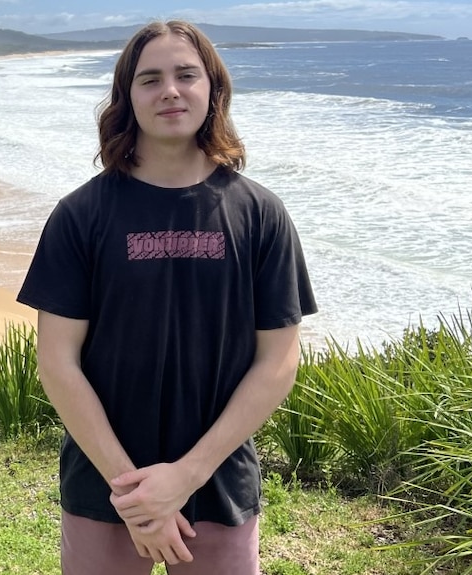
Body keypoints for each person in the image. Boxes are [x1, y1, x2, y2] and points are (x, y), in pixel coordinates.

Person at [16, 19, 318, 575]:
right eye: (150, 79)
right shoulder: (81, 215)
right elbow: (57, 362)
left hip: (218, 482)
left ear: (213, 90)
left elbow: (278, 361)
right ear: (128, 98)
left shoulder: (260, 214)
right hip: (104, 486)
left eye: (186, 74)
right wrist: (135, 495)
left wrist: (186, 475)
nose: (171, 90)